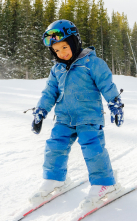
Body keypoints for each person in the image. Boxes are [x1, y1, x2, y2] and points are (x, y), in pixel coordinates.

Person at [29, 20, 125, 210]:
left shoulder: (93, 63)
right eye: (56, 50)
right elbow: (49, 92)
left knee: (93, 149)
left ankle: (105, 184)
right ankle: (55, 179)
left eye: (64, 47)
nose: (61, 53)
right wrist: (41, 111)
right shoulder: (57, 69)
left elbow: (107, 85)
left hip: (89, 118)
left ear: (75, 42)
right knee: (54, 146)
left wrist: (115, 104)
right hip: (64, 118)